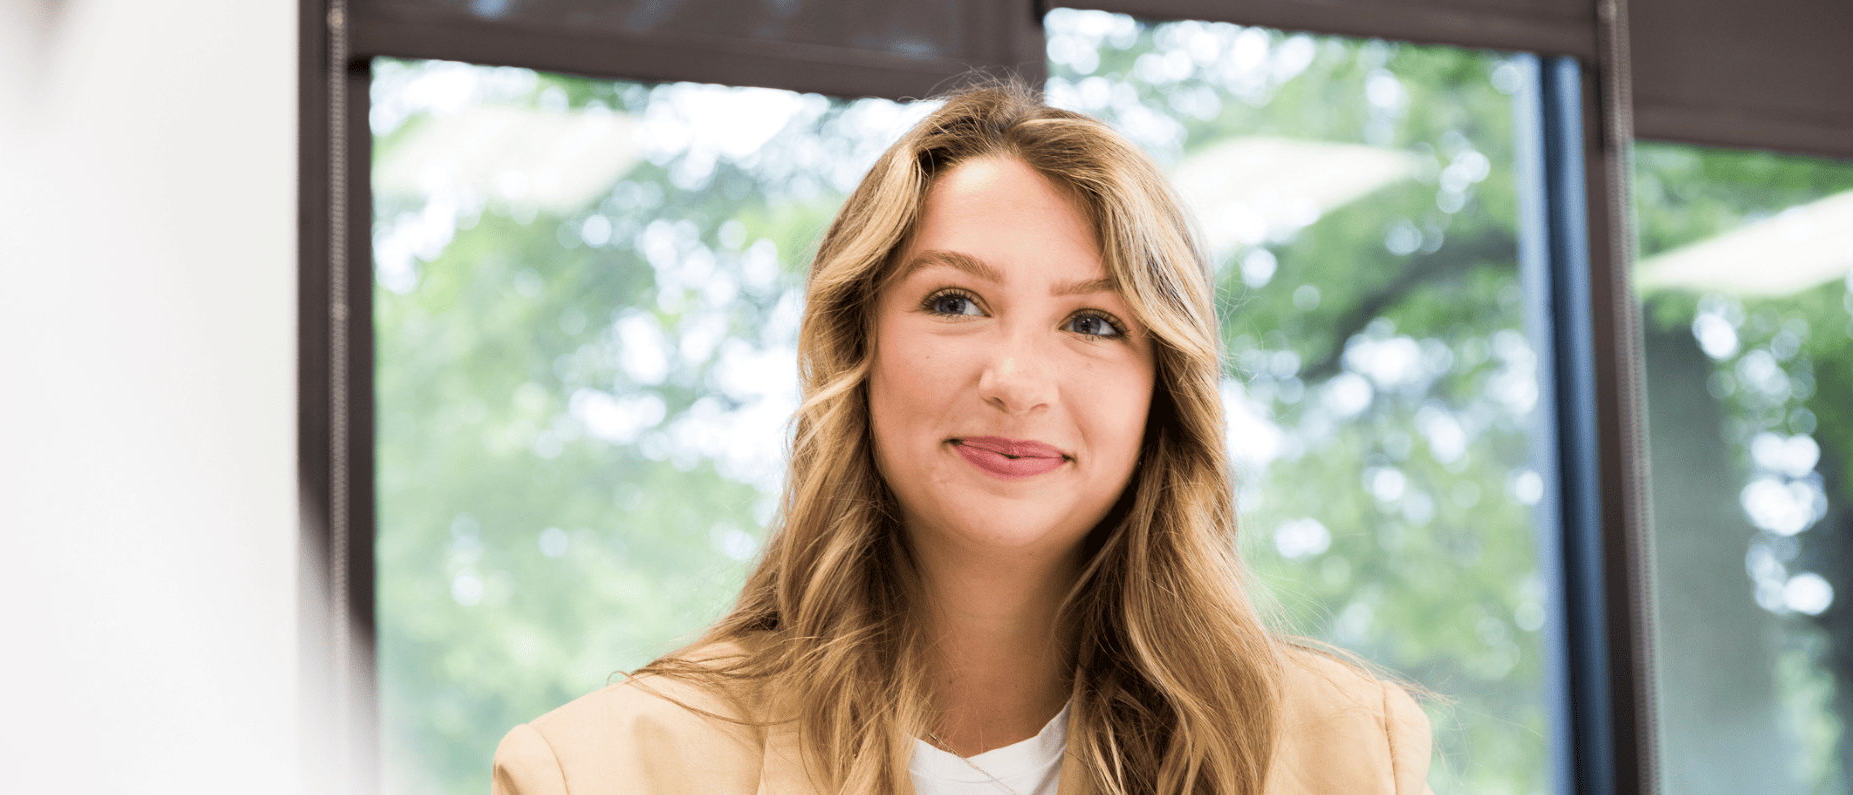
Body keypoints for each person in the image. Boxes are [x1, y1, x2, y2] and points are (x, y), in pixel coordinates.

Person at [492, 81, 1431, 795]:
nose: (1016, 381)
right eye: (955, 302)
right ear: (858, 351)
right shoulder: (596, 770)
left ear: (1164, 391)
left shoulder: (1346, 749)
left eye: (1095, 322)